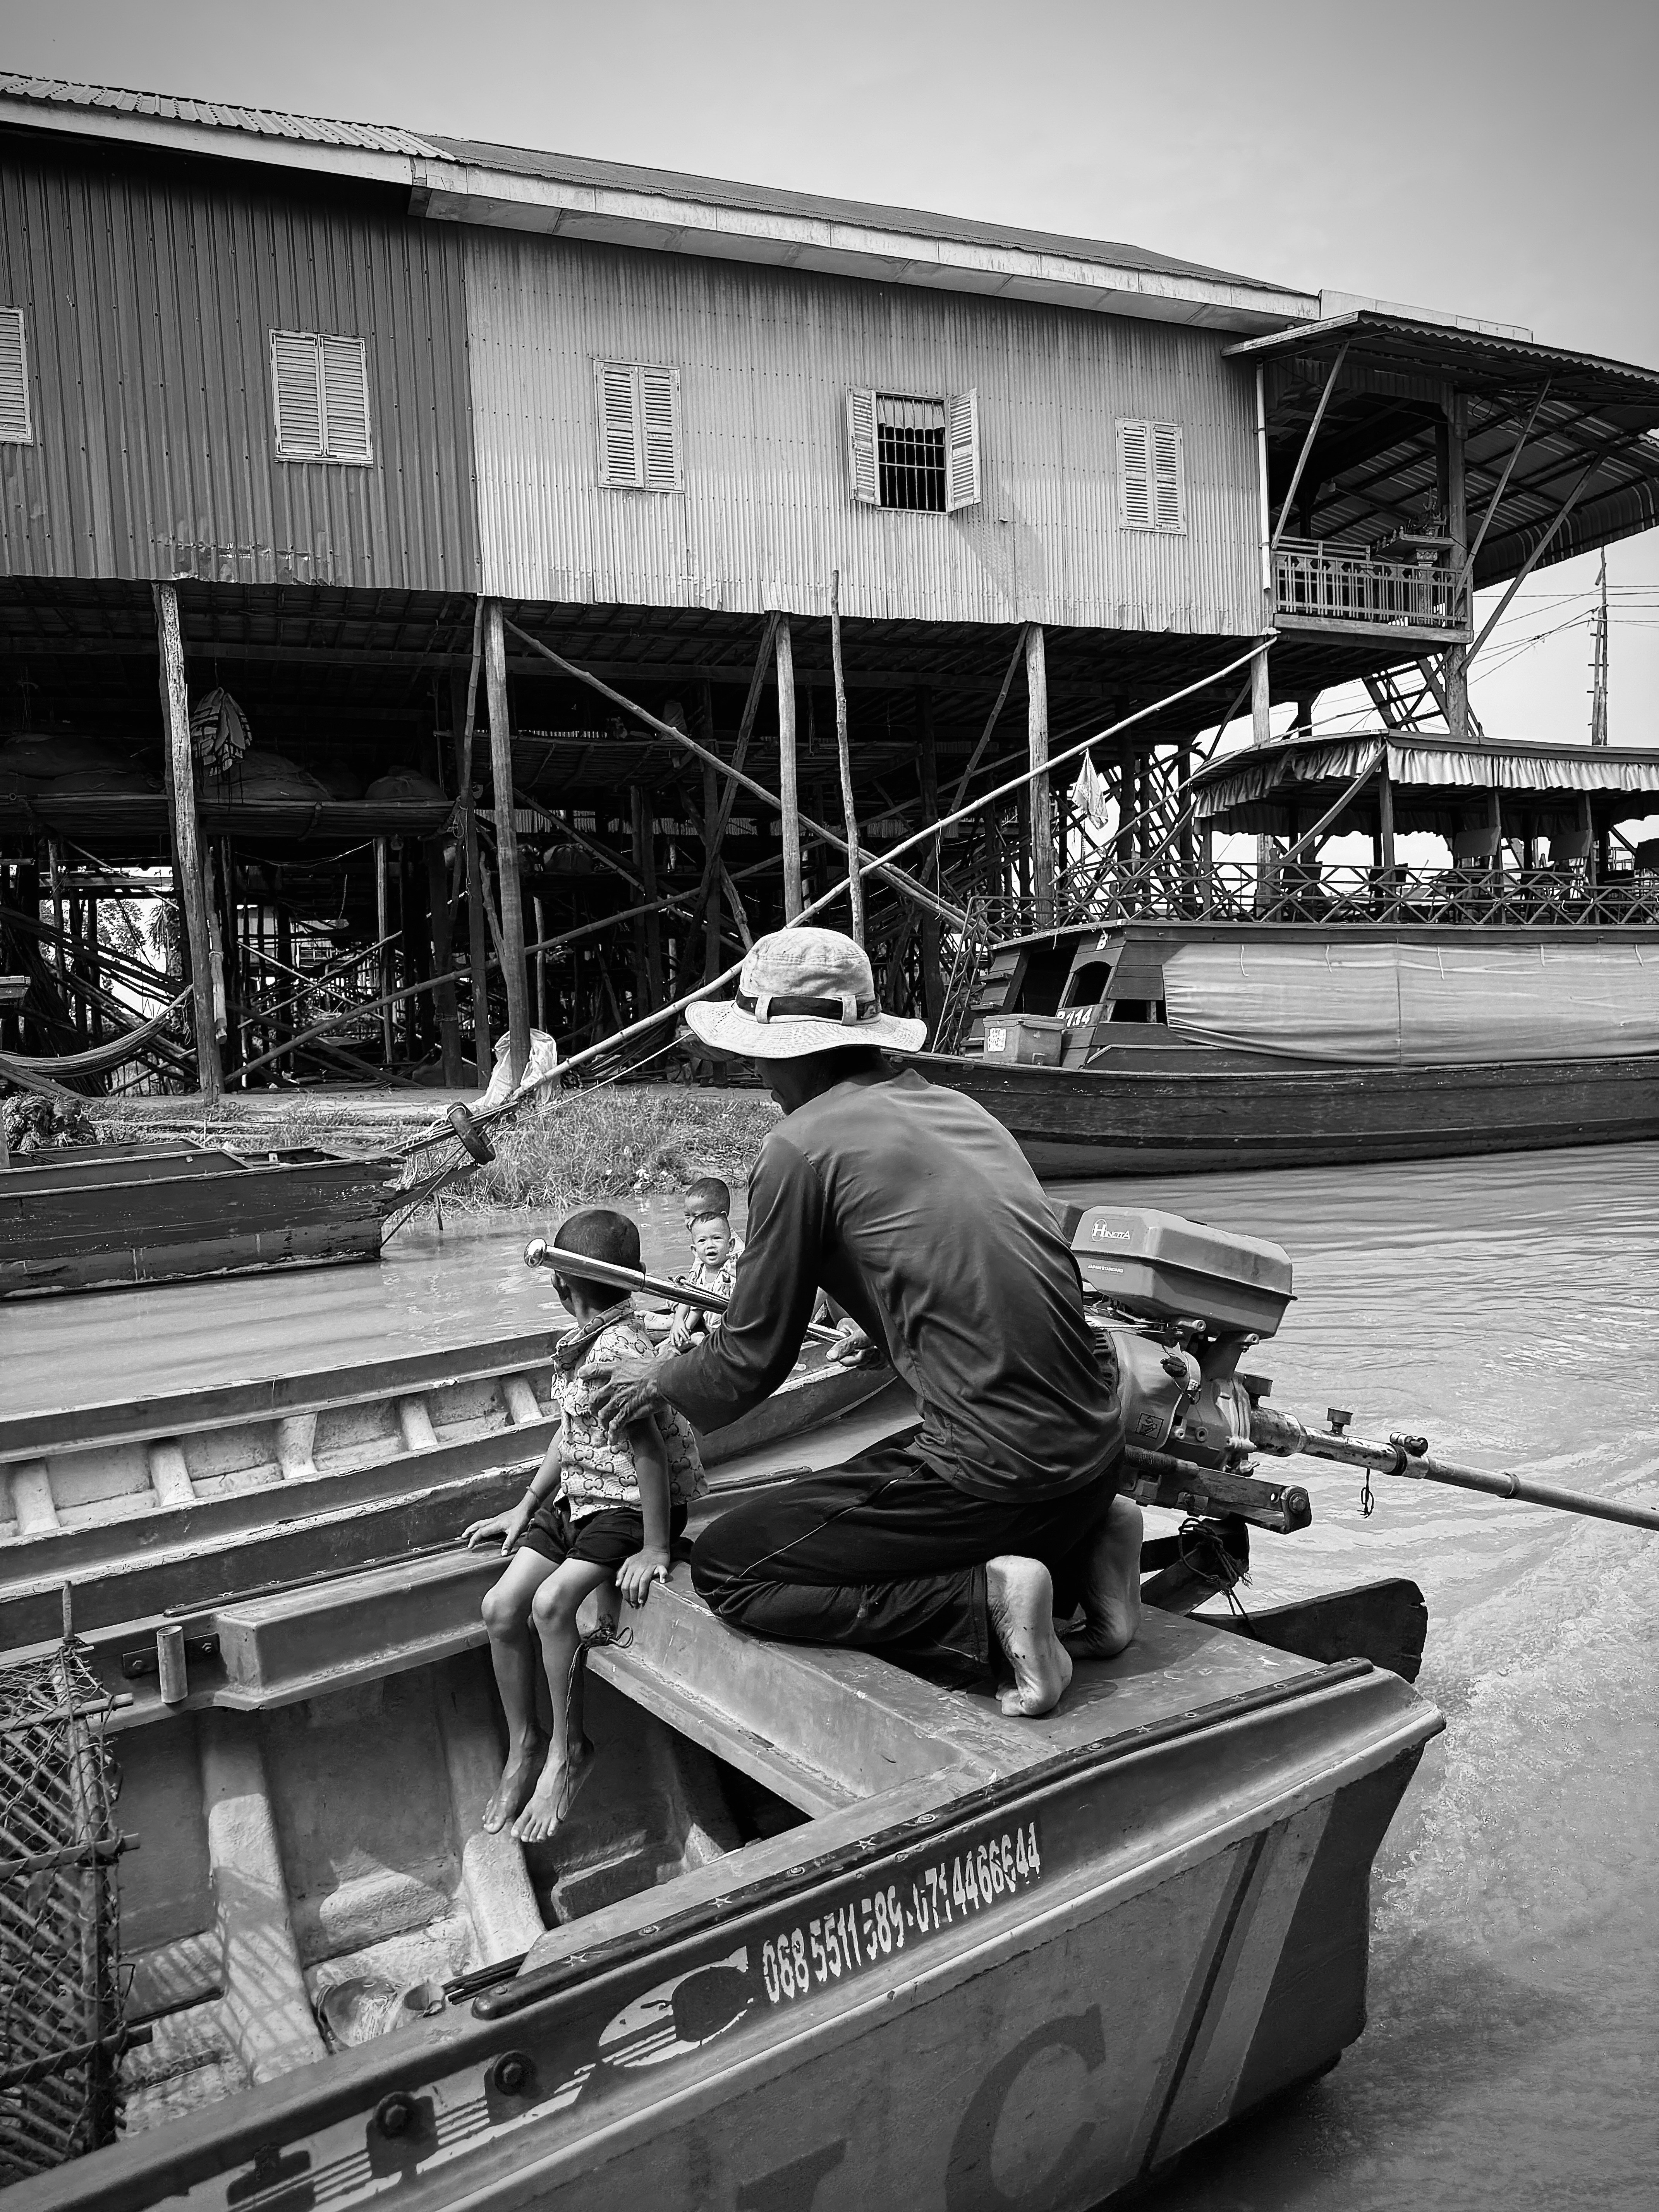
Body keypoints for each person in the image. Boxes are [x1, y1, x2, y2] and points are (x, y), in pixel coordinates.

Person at [587, 927, 1144, 1718]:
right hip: (1093, 1459)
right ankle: (1093, 1544)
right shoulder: (959, 1111)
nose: (760, 1075)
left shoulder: (799, 1149)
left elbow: (746, 1365)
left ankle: (984, 1614)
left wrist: (657, 1379)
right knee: (895, 1471)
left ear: (789, 1053)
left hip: (1003, 1473)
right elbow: (957, 1277)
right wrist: (882, 1335)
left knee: (734, 1566)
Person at [463, 1207, 706, 1841]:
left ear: (559, 1284)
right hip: (582, 1497)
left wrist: (656, 1547)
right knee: (499, 1605)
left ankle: (567, 1751)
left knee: (549, 1604)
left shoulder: (618, 1350)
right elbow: (569, 1431)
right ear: (633, 1281)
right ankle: (525, 1744)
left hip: (629, 1506)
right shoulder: (581, 1342)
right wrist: (524, 1505)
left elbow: (650, 1453)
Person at [667, 1179, 745, 1352]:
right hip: (706, 1309)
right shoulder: (705, 1245)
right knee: (674, 1299)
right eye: (688, 1216)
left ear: (722, 1216)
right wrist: (681, 1321)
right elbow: (694, 1285)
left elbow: (703, 1296)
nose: (691, 1223)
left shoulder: (734, 1255)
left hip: (727, 1321)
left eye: (699, 1216)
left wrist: (685, 1325)